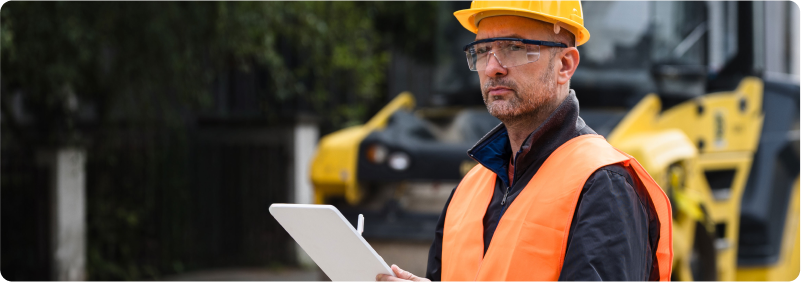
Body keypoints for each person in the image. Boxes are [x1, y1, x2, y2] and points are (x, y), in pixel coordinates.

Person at [376, 1, 673, 281]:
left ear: (565, 65)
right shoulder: (469, 189)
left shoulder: (604, 185)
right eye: (482, 50)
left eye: (515, 47)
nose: (493, 67)